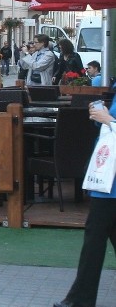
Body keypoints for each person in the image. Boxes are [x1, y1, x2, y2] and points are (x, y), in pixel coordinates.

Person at [53, 97, 116, 307]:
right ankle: (80, 298)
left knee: (94, 239)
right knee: (96, 238)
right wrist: (102, 117)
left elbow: (111, 122)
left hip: (110, 183)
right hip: (108, 180)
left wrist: (108, 119)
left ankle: (80, 299)